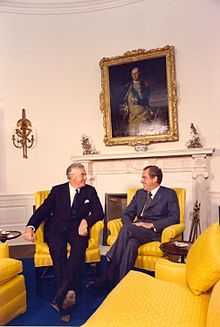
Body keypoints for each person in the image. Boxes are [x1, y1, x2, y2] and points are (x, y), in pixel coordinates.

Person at [23, 162, 104, 322]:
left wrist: (86, 221)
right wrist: (30, 226)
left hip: (77, 229)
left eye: (84, 174)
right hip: (56, 229)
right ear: (71, 177)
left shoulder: (90, 191)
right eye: (82, 174)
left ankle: (60, 298)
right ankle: (68, 293)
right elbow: (43, 210)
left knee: (78, 252)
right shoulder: (58, 190)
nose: (85, 177)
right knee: (58, 253)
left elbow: (98, 212)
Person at [93, 165, 179, 288]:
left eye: (144, 177)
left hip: (154, 232)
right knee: (131, 244)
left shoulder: (169, 194)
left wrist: (151, 225)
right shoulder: (140, 194)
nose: (141, 180)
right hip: (136, 230)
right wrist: (130, 227)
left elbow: (174, 217)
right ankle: (120, 283)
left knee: (128, 231)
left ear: (155, 179)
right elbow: (127, 213)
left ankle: (109, 261)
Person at [120, 66, 152, 136]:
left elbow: (146, 100)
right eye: (133, 73)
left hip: (143, 116)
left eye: (136, 73)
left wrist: (138, 101)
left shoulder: (145, 85)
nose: (134, 75)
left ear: (139, 73)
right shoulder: (128, 86)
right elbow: (124, 101)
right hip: (132, 118)